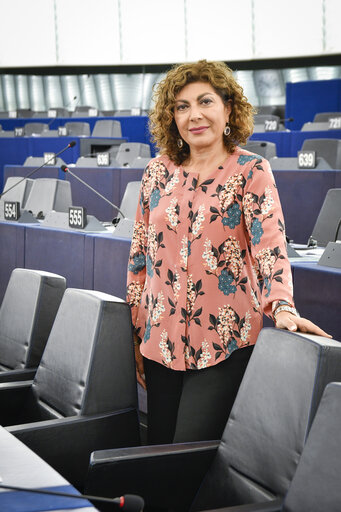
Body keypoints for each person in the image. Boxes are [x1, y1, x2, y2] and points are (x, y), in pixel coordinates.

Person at [126, 60, 330, 445]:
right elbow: (139, 258)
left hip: (223, 343)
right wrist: (135, 332)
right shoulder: (156, 171)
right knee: (156, 456)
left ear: (228, 109)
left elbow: (270, 244)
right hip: (158, 341)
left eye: (205, 102)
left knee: (189, 461)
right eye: (182, 106)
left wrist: (282, 306)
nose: (194, 115)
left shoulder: (252, 171)